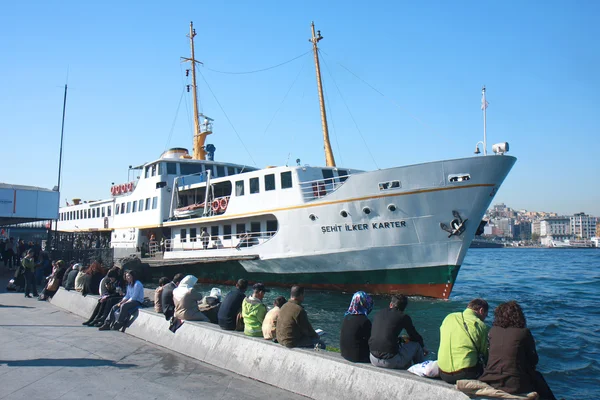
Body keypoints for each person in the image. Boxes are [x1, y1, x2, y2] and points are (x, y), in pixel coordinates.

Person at [480, 301, 556, 400]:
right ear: (519, 316)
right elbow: (533, 360)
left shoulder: (493, 331)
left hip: (490, 380)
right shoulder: (524, 332)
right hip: (514, 384)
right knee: (538, 378)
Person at [437, 298, 489, 384]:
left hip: (443, 373)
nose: (485, 319)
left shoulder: (449, 317)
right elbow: (485, 354)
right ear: (481, 310)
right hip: (464, 375)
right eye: (486, 315)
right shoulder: (481, 325)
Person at [368, 294, 426, 370]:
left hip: (373, 358)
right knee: (417, 346)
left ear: (391, 304)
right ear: (404, 308)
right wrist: (423, 347)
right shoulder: (403, 317)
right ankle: (421, 371)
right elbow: (415, 336)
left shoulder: (379, 313)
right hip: (389, 362)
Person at [340, 291, 374, 362]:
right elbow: (371, 341)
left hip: (344, 353)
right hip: (357, 356)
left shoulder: (347, 317)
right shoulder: (364, 320)